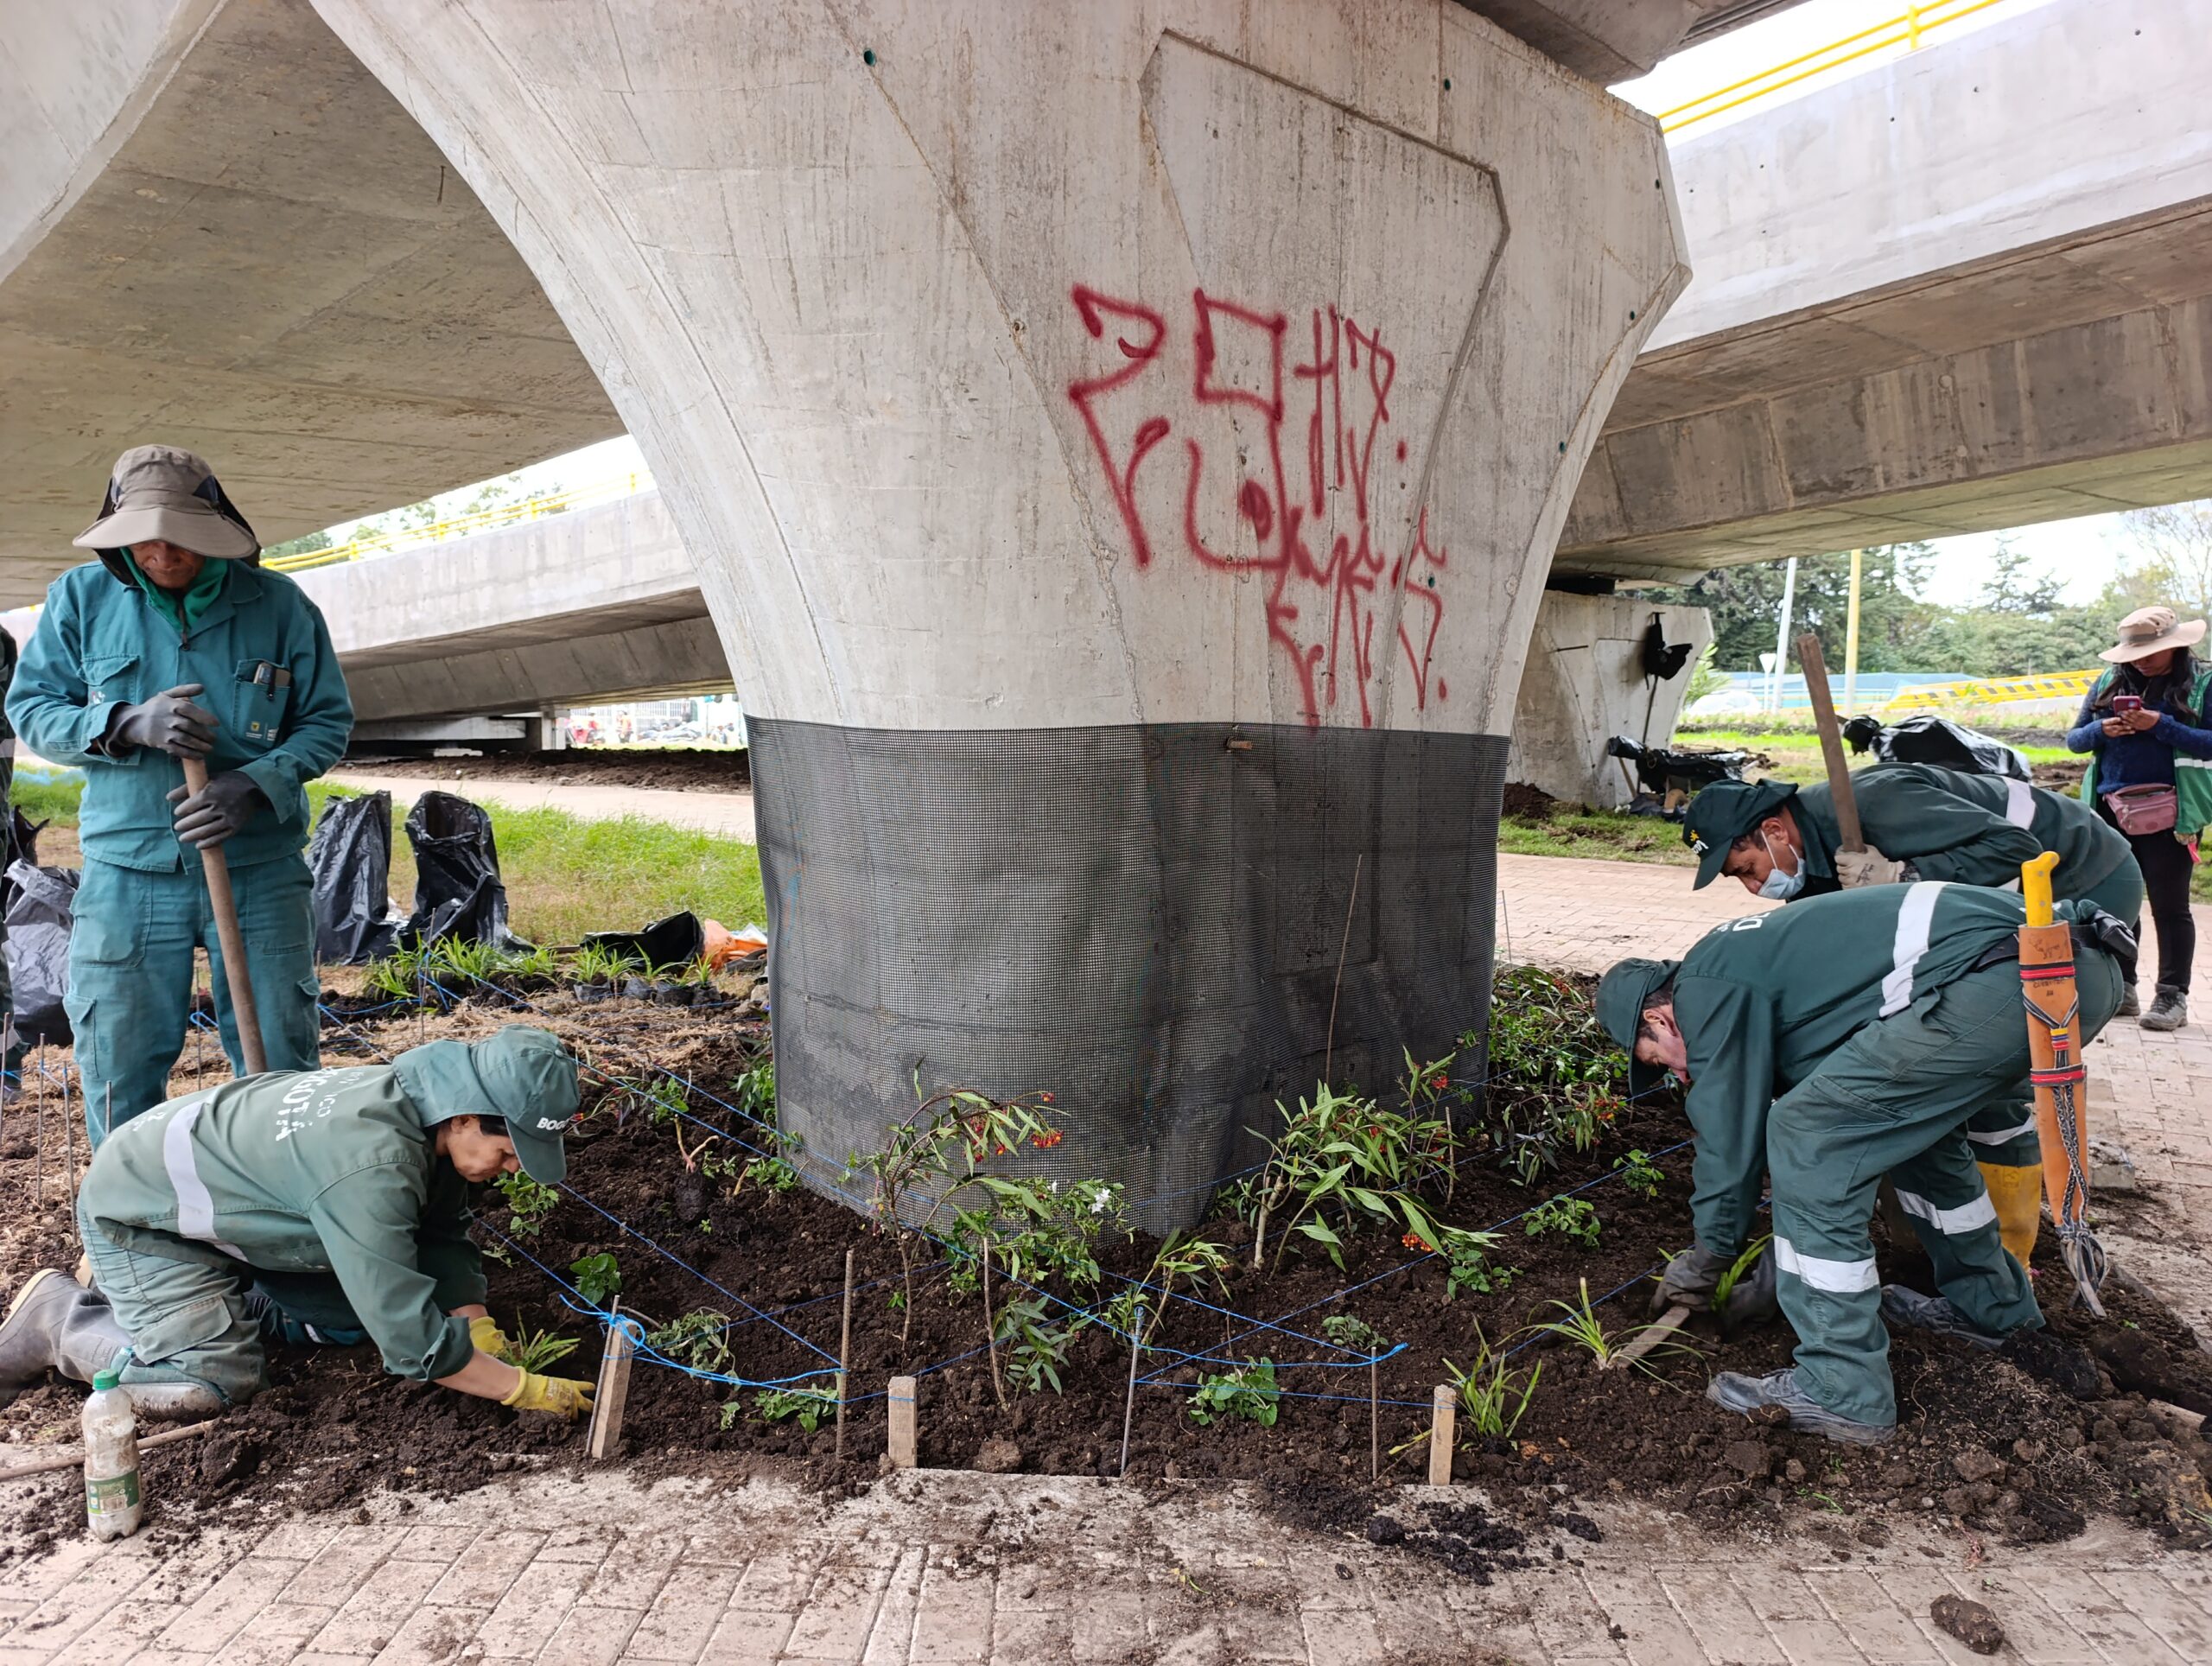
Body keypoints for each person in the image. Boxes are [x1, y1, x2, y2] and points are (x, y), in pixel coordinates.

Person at [1595, 882, 2130, 1443]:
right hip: (2073, 964)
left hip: (2014, 977)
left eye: (1658, 1060)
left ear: (1660, 1019)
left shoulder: (1705, 989)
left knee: (1806, 1132)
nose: (1679, 1074)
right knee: (1916, 1140)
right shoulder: (1756, 971)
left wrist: (1706, 1261)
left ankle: (1842, 1389)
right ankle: (1992, 1311)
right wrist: (1782, 1260)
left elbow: (1732, 1144)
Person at [5, 446, 353, 1142]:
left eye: (181, 538)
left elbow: (326, 722)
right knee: (118, 1058)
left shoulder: (280, 606)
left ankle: (274, 1191)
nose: (163, 553)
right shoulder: (80, 599)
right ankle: (132, 1203)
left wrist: (253, 784)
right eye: (145, 538)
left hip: (257, 868)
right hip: (127, 873)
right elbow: (33, 709)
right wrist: (124, 722)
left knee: (278, 1060)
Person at [0, 1027, 596, 1421]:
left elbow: (439, 1237)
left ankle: (181, 1305)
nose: (512, 1168)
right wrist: (520, 1389)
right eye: (509, 1151)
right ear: (466, 1116)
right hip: (140, 1213)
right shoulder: (373, 1164)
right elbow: (412, 1343)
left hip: (221, 1202)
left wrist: (476, 1327)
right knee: (211, 1384)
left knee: (348, 1320)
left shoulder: (422, 1113)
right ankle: (60, 1321)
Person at [1679, 771, 2142, 1264]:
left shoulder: (1875, 803)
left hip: (2083, 872)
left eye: (1748, 869)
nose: (1755, 889)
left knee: (1989, 1079)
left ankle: (2010, 1252)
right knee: (1940, 1067)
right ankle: (1978, 1245)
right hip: (2001, 911)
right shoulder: (1815, 868)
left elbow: (2015, 848)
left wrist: (1905, 877)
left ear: (1774, 831)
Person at [2067, 606, 2212, 1033]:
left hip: (2172, 810)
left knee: (2170, 905)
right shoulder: (2109, 681)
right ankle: (2122, 987)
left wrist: (2159, 724)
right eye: (2135, 653)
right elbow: (2074, 739)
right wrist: (2102, 730)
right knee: (2118, 901)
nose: (2142, 661)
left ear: (2177, 646)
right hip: (2109, 809)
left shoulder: (2203, 684)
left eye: (2151, 652)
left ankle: (2171, 995)